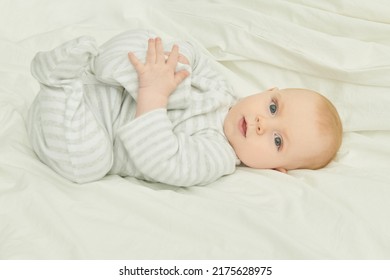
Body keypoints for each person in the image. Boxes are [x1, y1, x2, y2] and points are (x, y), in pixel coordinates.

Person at [27, 30, 342, 186]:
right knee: (153, 43)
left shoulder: (217, 157)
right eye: (273, 108)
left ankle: (58, 82)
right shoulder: (221, 88)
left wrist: (154, 94)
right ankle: (92, 63)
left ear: (275, 170)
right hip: (105, 85)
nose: (261, 123)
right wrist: (172, 64)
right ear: (269, 92)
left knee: (89, 165)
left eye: (277, 141)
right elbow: (195, 54)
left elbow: (163, 161)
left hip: (78, 126)